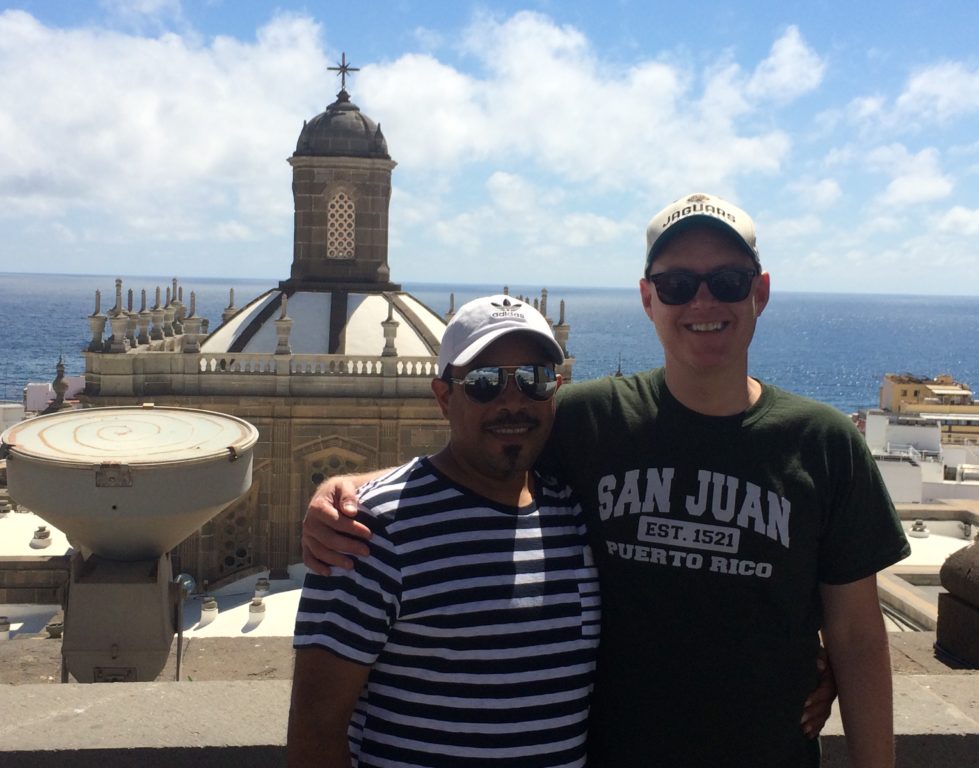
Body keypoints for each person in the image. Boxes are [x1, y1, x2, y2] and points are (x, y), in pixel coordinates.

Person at [303, 193, 908, 767]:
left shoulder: (825, 444)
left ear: (761, 291)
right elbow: (484, 447)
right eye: (676, 285)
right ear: (649, 298)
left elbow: (856, 636)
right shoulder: (593, 420)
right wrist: (349, 486)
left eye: (727, 281)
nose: (702, 303)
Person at [287, 296, 601, 767]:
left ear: (555, 390)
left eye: (533, 380)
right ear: (443, 397)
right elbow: (314, 733)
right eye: (484, 382)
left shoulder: (574, 513)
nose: (512, 401)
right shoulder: (371, 530)